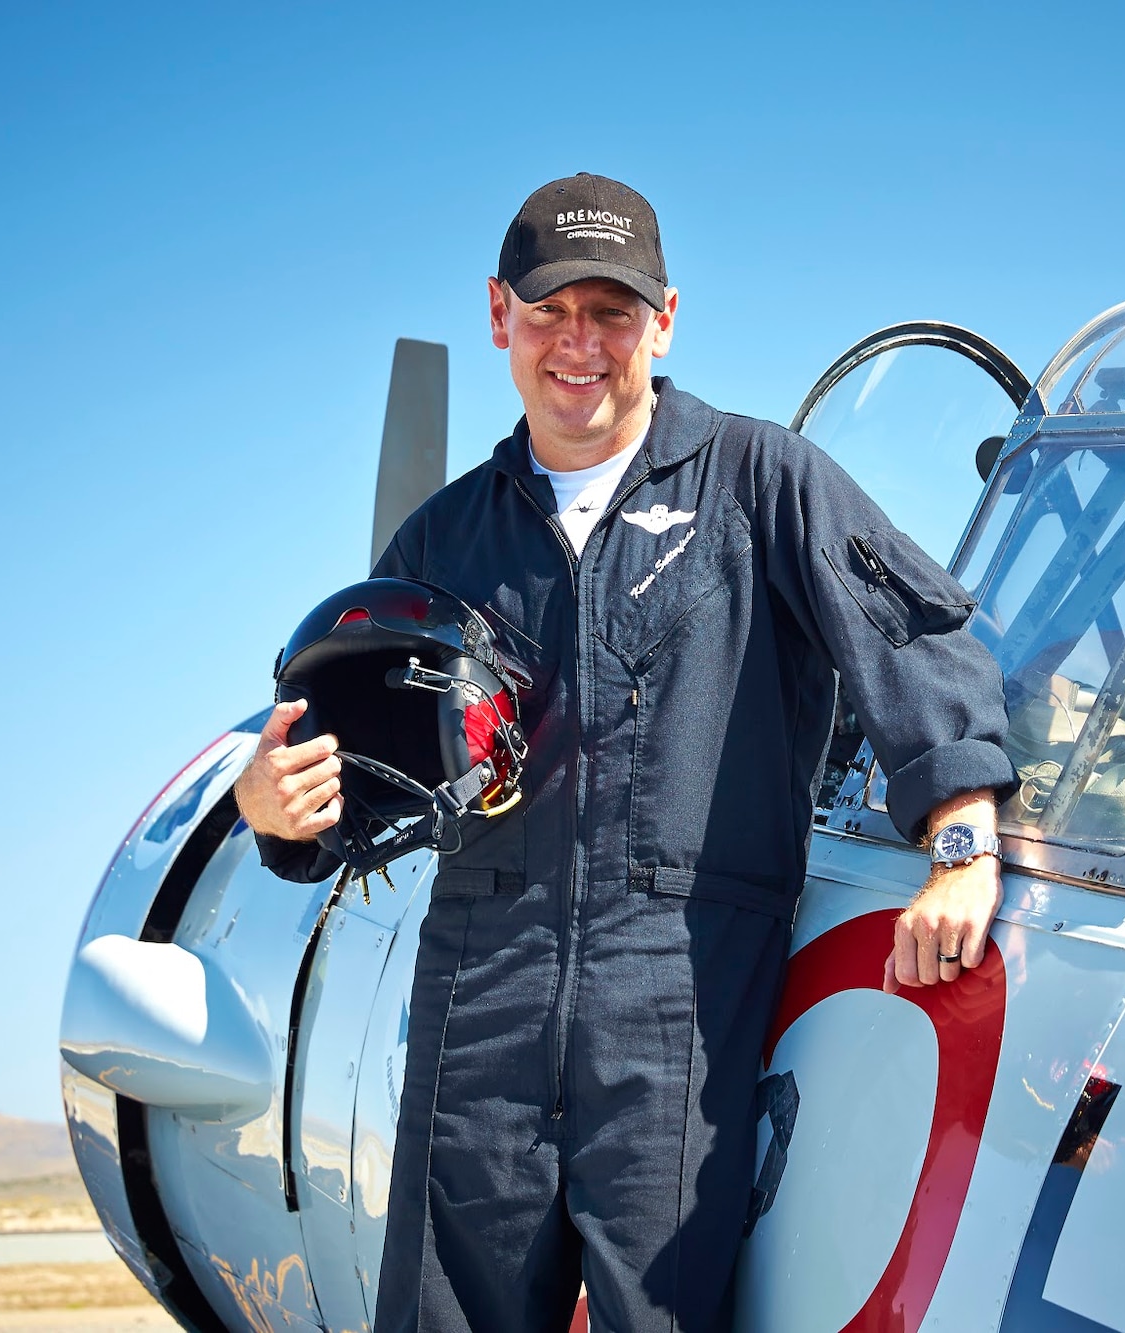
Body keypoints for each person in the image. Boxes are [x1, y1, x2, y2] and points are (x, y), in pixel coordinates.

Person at [233, 173, 1015, 1333]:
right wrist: (277, 809)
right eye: (551, 311)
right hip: (480, 992)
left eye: (610, 312)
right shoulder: (443, 537)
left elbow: (917, 640)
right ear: (499, 314)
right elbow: (360, 776)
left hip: (682, 996)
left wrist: (961, 839)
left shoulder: (761, 482)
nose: (579, 345)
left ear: (665, 317)